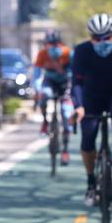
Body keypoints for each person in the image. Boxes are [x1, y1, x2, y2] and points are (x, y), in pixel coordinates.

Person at [73, 13, 112, 206]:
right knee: (88, 135)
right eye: (96, 39)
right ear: (90, 37)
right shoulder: (82, 51)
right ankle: (91, 184)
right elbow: (76, 81)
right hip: (92, 95)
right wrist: (79, 106)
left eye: (106, 38)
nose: (102, 42)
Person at [33, 29, 74, 165]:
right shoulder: (42, 54)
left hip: (64, 82)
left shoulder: (68, 53)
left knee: (66, 114)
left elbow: (75, 72)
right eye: (50, 44)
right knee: (44, 96)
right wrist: (37, 87)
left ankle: (65, 150)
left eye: (56, 44)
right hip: (49, 81)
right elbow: (37, 72)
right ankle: (45, 121)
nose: (54, 47)